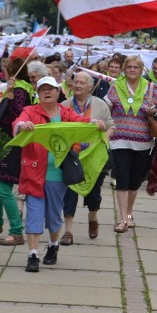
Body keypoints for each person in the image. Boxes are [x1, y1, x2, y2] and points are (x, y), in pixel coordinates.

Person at [13, 77, 106, 272]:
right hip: (33, 172)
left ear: (58, 92)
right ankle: (33, 255)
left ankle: (53, 246)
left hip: (57, 175)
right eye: (42, 90)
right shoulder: (30, 111)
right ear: (38, 94)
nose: (47, 92)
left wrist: (94, 122)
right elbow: (18, 121)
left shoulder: (65, 112)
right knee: (34, 214)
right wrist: (22, 125)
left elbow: (81, 122)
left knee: (54, 217)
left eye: (51, 89)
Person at [105, 55, 157, 233]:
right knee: (122, 176)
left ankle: (129, 213)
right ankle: (122, 218)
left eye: (136, 67)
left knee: (135, 180)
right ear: (124, 69)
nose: (132, 70)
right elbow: (107, 108)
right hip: (120, 140)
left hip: (143, 142)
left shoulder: (150, 88)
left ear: (141, 69)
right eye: (129, 67)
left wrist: (153, 110)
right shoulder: (116, 87)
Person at [60, 71, 116, 244]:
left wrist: (103, 140)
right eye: (75, 81)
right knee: (69, 192)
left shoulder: (100, 105)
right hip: (72, 156)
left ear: (90, 87)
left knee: (93, 194)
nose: (77, 85)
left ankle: (93, 217)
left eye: (82, 83)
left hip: (94, 158)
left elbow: (111, 126)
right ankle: (68, 232)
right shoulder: (65, 104)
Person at [0, 58, 33, 246]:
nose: (3, 71)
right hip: (0, 142)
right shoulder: (15, 87)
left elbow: (18, 116)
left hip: (12, 143)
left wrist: (11, 92)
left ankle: (16, 230)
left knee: (4, 189)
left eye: (5, 68)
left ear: (12, 70)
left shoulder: (21, 89)